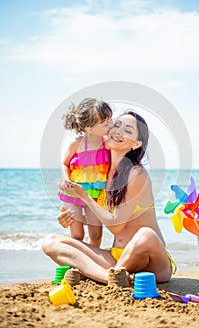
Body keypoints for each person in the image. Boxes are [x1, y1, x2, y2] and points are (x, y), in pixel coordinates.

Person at [43, 111, 176, 284]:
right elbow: (97, 216)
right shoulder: (101, 174)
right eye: (117, 125)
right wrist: (74, 218)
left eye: (128, 130)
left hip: (151, 262)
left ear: (135, 144)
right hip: (118, 258)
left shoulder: (136, 173)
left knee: (146, 235)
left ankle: (100, 274)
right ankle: (108, 277)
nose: (119, 131)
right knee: (50, 241)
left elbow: (116, 226)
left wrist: (83, 195)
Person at [58, 98, 113, 247]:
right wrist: (67, 180)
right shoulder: (77, 143)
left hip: (95, 195)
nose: (111, 125)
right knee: (77, 234)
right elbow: (65, 163)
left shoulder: (107, 143)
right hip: (73, 193)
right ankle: (75, 264)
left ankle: (92, 260)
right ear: (89, 128)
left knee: (96, 235)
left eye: (110, 120)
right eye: (105, 123)